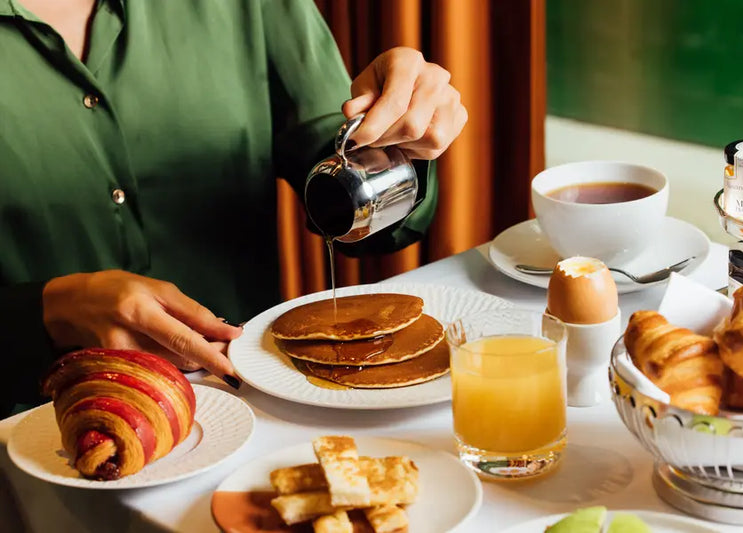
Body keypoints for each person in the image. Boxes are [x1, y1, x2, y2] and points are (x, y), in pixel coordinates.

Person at [0, 0, 467, 416]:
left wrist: (399, 135)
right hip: (33, 436)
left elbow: (342, 179)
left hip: (260, 406)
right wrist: (45, 313)